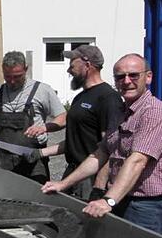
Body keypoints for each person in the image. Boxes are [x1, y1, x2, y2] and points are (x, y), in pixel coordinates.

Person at [42, 54, 162, 234]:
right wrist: (63, 184)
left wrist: (108, 200)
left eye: (133, 75)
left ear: (148, 77)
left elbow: (137, 160)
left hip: (146, 206)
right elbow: (100, 154)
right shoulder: (120, 112)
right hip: (120, 197)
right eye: (120, 77)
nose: (127, 81)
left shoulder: (153, 112)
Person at [35, 45, 125, 200]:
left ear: (88, 65)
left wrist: (99, 185)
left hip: (90, 178)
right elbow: (75, 142)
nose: (69, 71)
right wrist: (40, 153)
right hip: (74, 172)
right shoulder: (80, 98)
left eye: (72, 66)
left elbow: (110, 148)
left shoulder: (108, 98)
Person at [0, 51, 67, 184]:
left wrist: (44, 127)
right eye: (7, 76)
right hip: (5, 161)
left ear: (26, 69)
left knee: (37, 200)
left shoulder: (42, 90)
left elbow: (63, 118)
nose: (12, 81)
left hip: (34, 160)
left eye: (17, 76)